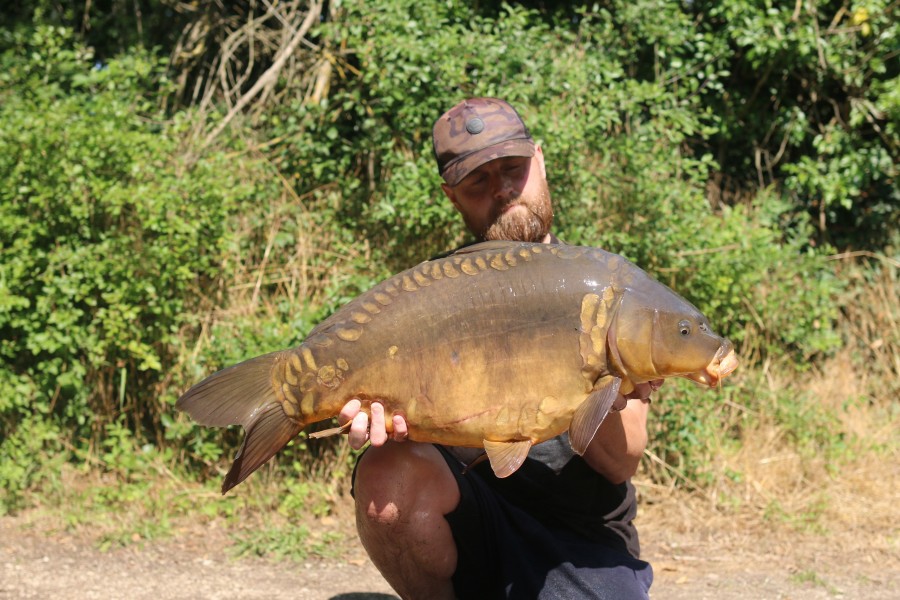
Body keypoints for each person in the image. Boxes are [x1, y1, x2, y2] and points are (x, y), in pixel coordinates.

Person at [340, 98, 655, 599]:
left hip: (581, 538)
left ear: (540, 161)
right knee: (384, 474)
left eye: (513, 169)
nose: (503, 190)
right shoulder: (428, 299)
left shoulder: (603, 289)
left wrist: (596, 377)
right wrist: (386, 421)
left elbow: (622, 463)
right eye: (478, 182)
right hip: (471, 516)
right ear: (452, 196)